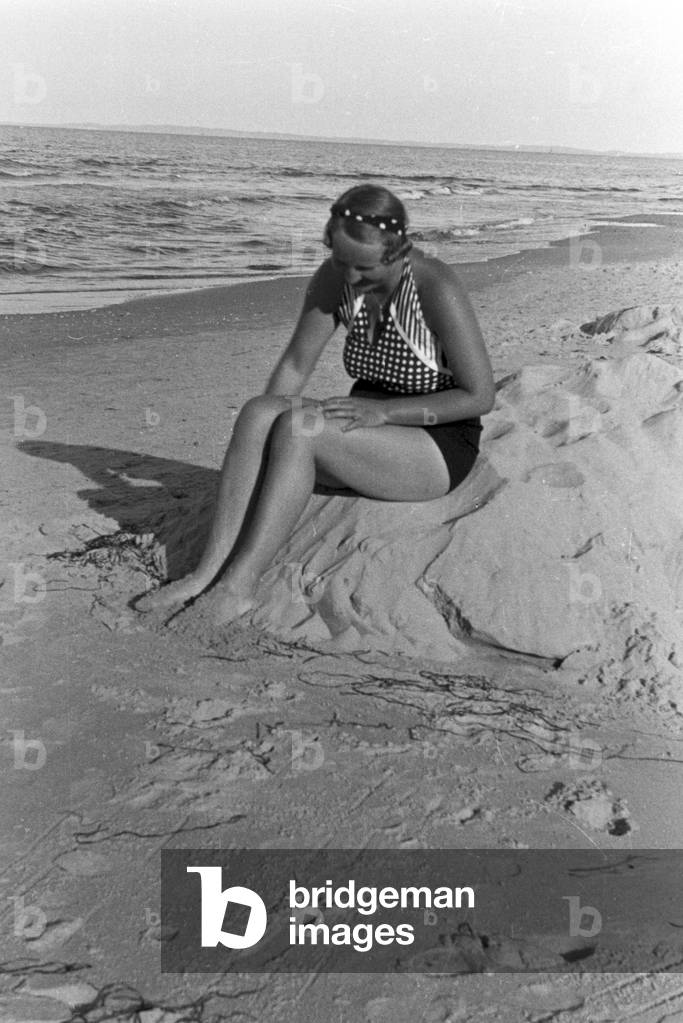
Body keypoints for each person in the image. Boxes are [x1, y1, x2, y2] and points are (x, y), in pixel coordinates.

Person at [135, 184, 495, 624]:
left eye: (363, 268)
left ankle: (239, 587)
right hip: (364, 429)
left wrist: (384, 412)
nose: (350, 279)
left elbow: (480, 396)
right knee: (258, 414)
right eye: (339, 261)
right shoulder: (335, 277)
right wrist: (262, 432)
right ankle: (205, 573)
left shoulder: (435, 287)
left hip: (434, 441)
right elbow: (294, 365)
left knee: (297, 428)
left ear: (398, 251)